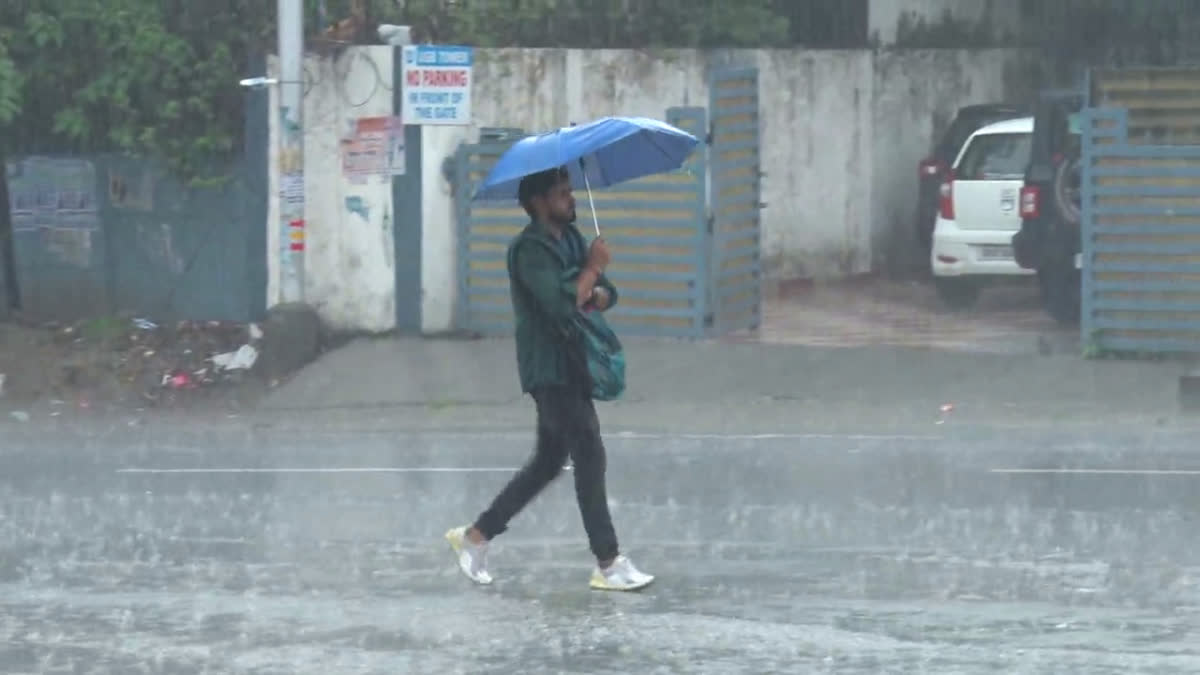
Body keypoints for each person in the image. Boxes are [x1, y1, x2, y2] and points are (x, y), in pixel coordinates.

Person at [445, 165, 655, 592]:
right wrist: (591, 273)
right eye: (562, 194)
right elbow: (562, 304)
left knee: (547, 462)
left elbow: (603, 294)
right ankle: (608, 561)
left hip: (575, 361)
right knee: (590, 453)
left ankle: (477, 536)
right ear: (539, 203)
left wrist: (595, 284)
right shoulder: (528, 251)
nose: (571, 199)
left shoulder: (574, 240)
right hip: (548, 368)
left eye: (570, 191)